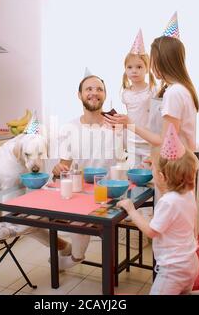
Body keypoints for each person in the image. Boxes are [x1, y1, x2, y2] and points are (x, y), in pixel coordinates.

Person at [117, 124, 199, 295]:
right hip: (190, 263)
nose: (152, 171)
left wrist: (131, 209)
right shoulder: (187, 193)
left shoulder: (168, 202)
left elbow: (151, 231)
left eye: (154, 170)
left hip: (173, 270)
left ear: (162, 177)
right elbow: (183, 163)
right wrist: (157, 163)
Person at [52, 74, 125, 269]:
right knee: (36, 217)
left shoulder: (116, 124)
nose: (94, 93)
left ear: (105, 94)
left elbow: (132, 156)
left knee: (80, 219)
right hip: (82, 192)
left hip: (111, 193)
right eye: (89, 89)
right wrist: (58, 169)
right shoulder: (69, 128)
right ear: (79, 95)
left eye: (99, 89)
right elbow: (63, 166)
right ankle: (72, 254)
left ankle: (74, 258)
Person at [105, 14, 199, 153]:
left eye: (152, 59)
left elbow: (164, 141)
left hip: (177, 165)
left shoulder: (174, 93)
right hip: (183, 161)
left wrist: (129, 124)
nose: (151, 64)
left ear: (162, 60)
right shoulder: (180, 89)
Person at [121, 29, 161, 168]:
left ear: (147, 68)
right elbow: (129, 117)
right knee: (133, 174)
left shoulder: (152, 90)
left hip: (147, 142)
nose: (134, 70)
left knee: (149, 175)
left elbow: (157, 117)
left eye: (139, 67)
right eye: (130, 67)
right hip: (132, 142)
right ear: (125, 70)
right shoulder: (125, 93)